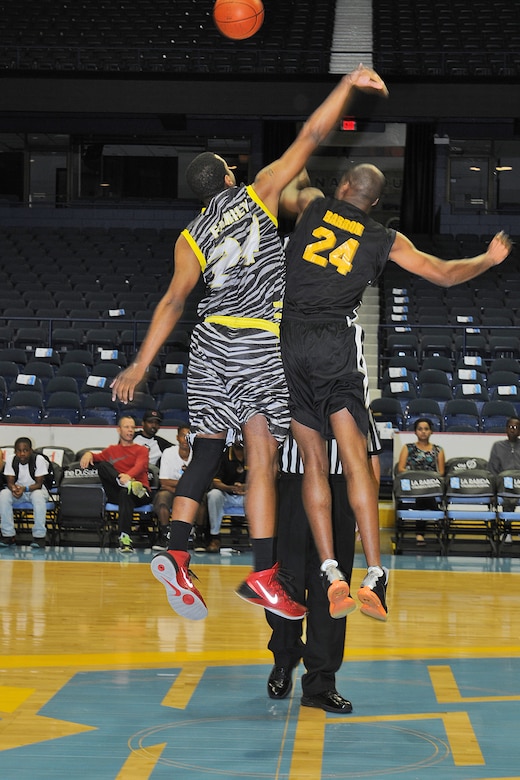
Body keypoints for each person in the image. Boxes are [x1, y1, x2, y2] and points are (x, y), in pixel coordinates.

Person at [111, 65, 390, 622]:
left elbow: (171, 303)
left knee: (209, 447)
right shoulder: (259, 194)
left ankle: (178, 549)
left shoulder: (190, 235)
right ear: (229, 176)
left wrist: (139, 365)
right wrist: (348, 85)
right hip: (257, 341)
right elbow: (312, 135)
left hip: (208, 343)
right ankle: (264, 574)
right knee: (261, 453)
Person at [279, 162, 512, 621]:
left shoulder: (313, 206)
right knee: (355, 461)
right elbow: (443, 273)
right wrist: (487, 260)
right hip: (334, 348)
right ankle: (374, 574)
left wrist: (300, 163)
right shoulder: (386, 238)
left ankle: (330, 572)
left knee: (312, 462)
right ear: (376, 203)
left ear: (343, 186)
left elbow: (287, 188)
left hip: (292, 343)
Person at [266, 418, 381, 712]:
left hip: (341, 490)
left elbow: (371, 461)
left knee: (332, 591)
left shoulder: (356, 402)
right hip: (291, 489)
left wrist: (364, 510)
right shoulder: (286, 393)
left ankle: (321, 683)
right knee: (284, 585)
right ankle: (284, 656)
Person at [79, 415, 150, 553]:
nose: (130, 430)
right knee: (103, 466)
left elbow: (140, 466)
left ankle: (125, 538)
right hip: (119, 489)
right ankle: (124, 483)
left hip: (141, 493)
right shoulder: (111, 450)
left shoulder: (142, 450)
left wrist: (128, 476)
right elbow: (96, 457)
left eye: (132, 427)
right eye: (126, 427)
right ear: (119, 430)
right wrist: (88, 454)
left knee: (126, 493)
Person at [397, 417, 445, 545]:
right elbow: (401, 469)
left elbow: (441, 472)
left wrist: (428, 479)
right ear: (415, 432)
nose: (423, 432)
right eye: (420, 429)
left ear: (431, 432)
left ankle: (420, 534)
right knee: (422, 496)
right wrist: (416, 477)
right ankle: (429, 524)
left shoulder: (438, 450)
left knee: (424, 496)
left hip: (431, 485)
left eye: (426, 429)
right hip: (413, 485)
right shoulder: (408, 448)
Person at [0, 437, 50, 549]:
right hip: (19, 491)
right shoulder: (11, 459)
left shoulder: (39, 459)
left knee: (37, 496)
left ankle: (39, 537)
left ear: (31, 450)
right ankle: (8, 535)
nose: (22, 453)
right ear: (15, 451)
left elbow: (39, 484)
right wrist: (13, 488)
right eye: (19, 450)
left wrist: (25, 489)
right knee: (3, 494)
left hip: (36, 490)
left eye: (25, 450)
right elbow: (9, 482)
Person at [152, 425, 193, 551]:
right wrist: (184, 484)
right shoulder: (168, 453)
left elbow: (199, 483)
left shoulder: (198, 454)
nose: (185, 439)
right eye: (183, 436)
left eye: (188, 436)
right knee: (162, 498)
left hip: (191, 492)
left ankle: (198, 536)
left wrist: (179, 485)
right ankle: (165, 535)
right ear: (177, 437)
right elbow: (164, 482)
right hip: (171, 491)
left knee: (201, 497)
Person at [206, 442, 246, 553]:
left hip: (247, 496)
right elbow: (215, 482)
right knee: (213, 494)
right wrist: (231, 488)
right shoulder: (223, 455)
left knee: (260, 497)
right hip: (226, 495)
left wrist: (245, 487)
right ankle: (215, 537)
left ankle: (258, 537)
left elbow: (260, 481)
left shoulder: (253, 453)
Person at [488, 416, 520, 542]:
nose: (513, 430)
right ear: (506, 429)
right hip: (505, 485)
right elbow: (492, 470)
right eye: (511, 427)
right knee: (507, 494)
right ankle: (507, 531)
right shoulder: (498, 446)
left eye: (516, 427)